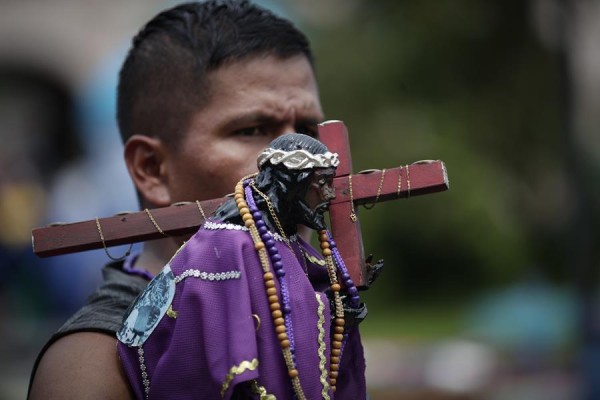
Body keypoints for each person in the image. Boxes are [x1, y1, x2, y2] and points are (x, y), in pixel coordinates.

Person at [28, 1, 368, 398]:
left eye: (310, 128)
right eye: (253, 129)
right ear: (152, 168)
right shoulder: (93, 367)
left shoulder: (321, 310)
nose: (305, 162)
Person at [117, 133, 368, 398]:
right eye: (322, 183)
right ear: (293, 183)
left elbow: (297, 289)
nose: (329, 194)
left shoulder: (277, 234)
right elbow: (218, 347)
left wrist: (339, 309)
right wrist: (330, 311)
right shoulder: (226, 245)